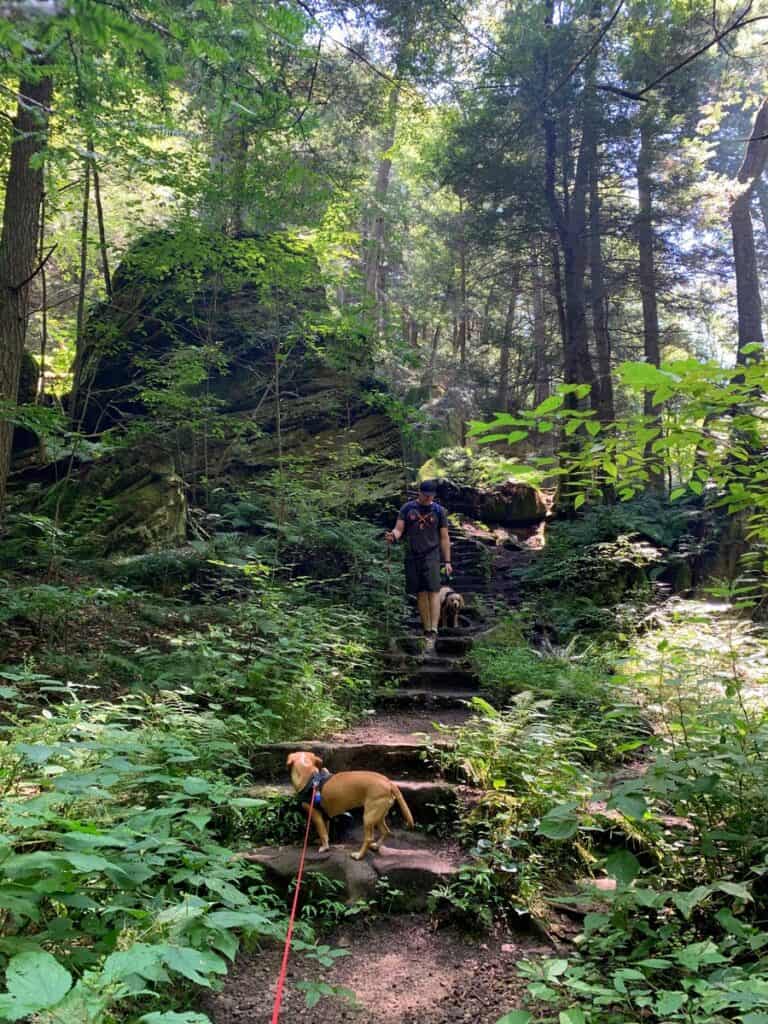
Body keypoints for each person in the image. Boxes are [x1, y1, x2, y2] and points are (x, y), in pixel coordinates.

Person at [385, 480, 452, 653]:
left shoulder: (439, 511)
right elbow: (399, 529)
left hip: (432, 553)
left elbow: (444, 537)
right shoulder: (407, 508)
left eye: (431, 495)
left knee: (434, 590)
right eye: (425, 495)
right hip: (413, 554)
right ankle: (427, 628)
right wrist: (393, 535)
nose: (428, 498)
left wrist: (447, 561)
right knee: (421, 591)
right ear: (419, 492)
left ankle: (434, 630)